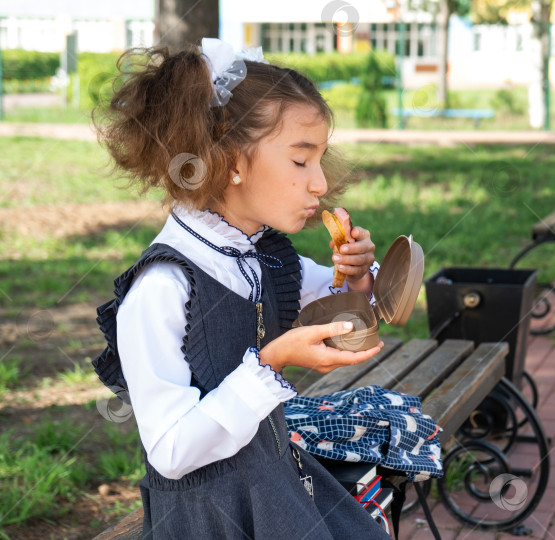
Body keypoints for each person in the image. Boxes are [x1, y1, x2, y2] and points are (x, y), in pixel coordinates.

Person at [92, 38, 392, 539]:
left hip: (277, 486)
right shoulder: (163, 287)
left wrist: (358, 275)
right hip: (212, 519)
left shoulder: (262, 254)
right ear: (230, 158)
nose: (320, 184)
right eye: (301, 161)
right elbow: (170, 452)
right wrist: (271, 363)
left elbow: (352, 311)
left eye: (320, 159)